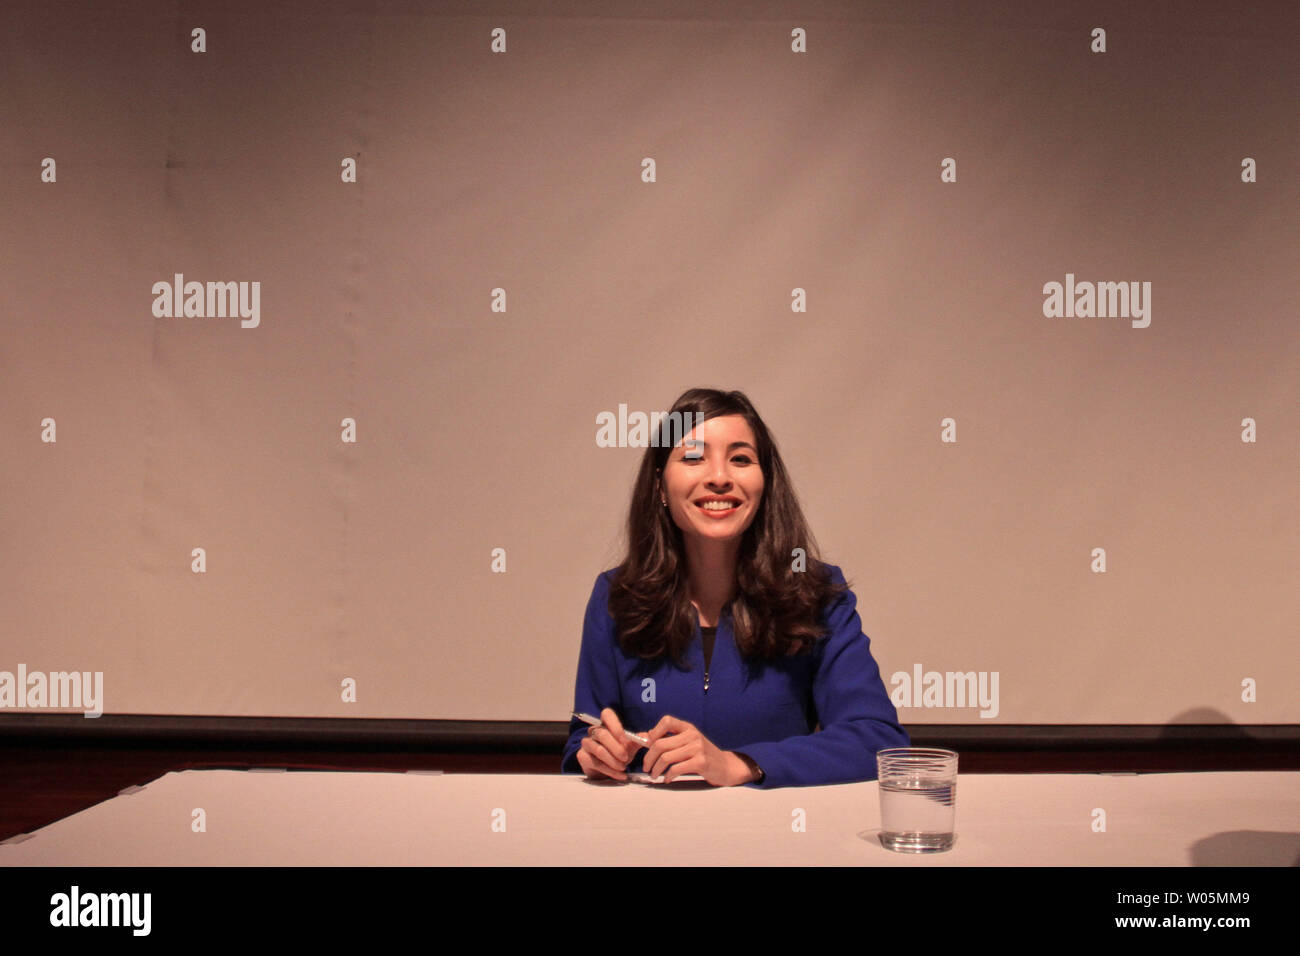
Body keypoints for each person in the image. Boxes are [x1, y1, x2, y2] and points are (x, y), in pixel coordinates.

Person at [562, 388, 909, 788]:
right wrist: (593, 753)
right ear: (660, 488)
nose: (720, 478)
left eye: (740, 459)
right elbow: (583, 736)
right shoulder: (615, 597)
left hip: (777, 838)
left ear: (765, 486)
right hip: (653, 836)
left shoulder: (817, 596)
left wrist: (738, 765)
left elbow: (877, 740)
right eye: (693, 458)